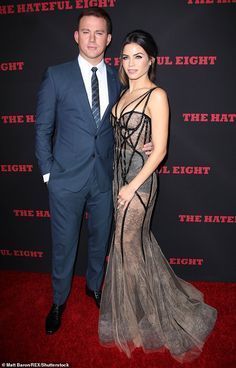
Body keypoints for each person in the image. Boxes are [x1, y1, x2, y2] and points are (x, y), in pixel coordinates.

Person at [98, 30, 217, 363]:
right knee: (131, 247)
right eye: (126, 56)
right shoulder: (122, 94)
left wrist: (132, 185)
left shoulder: (157, 95)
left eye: (139, 56)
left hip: (140, 184)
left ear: (151, 59)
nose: (131, 63)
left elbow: (160, 148)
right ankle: (140, 310)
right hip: (117, 180)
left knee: (127, 245)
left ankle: (151, 315)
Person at [35, 9, 151, 335]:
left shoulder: (118, 80)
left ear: (108, 39)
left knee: (101, 240)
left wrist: (145, 145)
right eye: (86, 31)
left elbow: (123, 126)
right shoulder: (56, 75)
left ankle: (95, 285)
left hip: (104, 178)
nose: (92, 39)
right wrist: (49, 175)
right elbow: (42, 129)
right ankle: (59, 300)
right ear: (76, 35)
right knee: (64, 244)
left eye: (99, 33)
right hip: (65, 181)